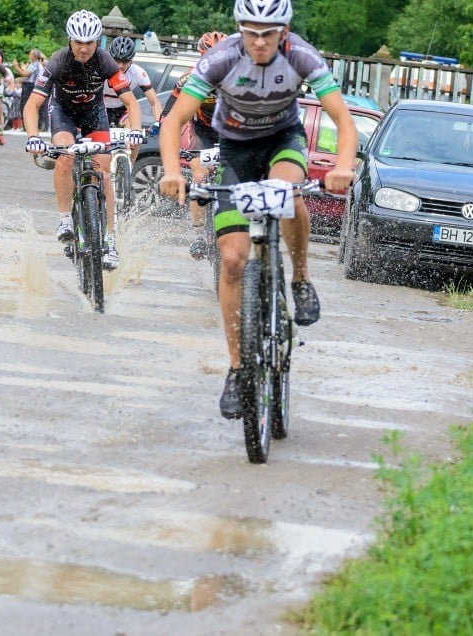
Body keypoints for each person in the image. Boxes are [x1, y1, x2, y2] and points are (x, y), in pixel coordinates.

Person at [158, 0, 357, 419]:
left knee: (290, 194)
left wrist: (341, 166)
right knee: (232, 260)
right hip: (234, 150)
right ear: (239, 29)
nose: (261, 41)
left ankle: (300, 279)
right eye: (252, 31)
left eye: (270, 32)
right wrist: (173, 172)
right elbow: (174, 120)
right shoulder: (220, 58)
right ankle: (237, 369)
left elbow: (343, 118)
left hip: (283, 140)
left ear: (285, 31)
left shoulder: (302, 55)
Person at [23, 10, 144, 271]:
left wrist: (135, 130)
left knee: (104, 171)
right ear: (70, 40)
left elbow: (131, 102)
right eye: (78, 42)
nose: (84, 48)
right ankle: (65, 219)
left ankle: (110, 241)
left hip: (93, 114)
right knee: (65, 157)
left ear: (98, 41)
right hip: (63, 113)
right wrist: (33, 136)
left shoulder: (105, 61)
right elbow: (32, 105)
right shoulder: (57, 61)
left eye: (90, 42)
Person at [159, 30, 227, 260]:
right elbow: (169, 115)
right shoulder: (190, 78)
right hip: (204, 131)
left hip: (232, 132)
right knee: (199, 176)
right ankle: (198, 234)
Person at [103, 35, 163, 141]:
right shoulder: (101, 69)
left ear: (131, 60)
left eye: (125, 61)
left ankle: (131, 158)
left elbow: (154, 102)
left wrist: (157, 122)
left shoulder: (138, 72)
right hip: (101, 108)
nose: (120, 66)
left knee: (135, 136)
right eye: (116, 61)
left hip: (123, 109)